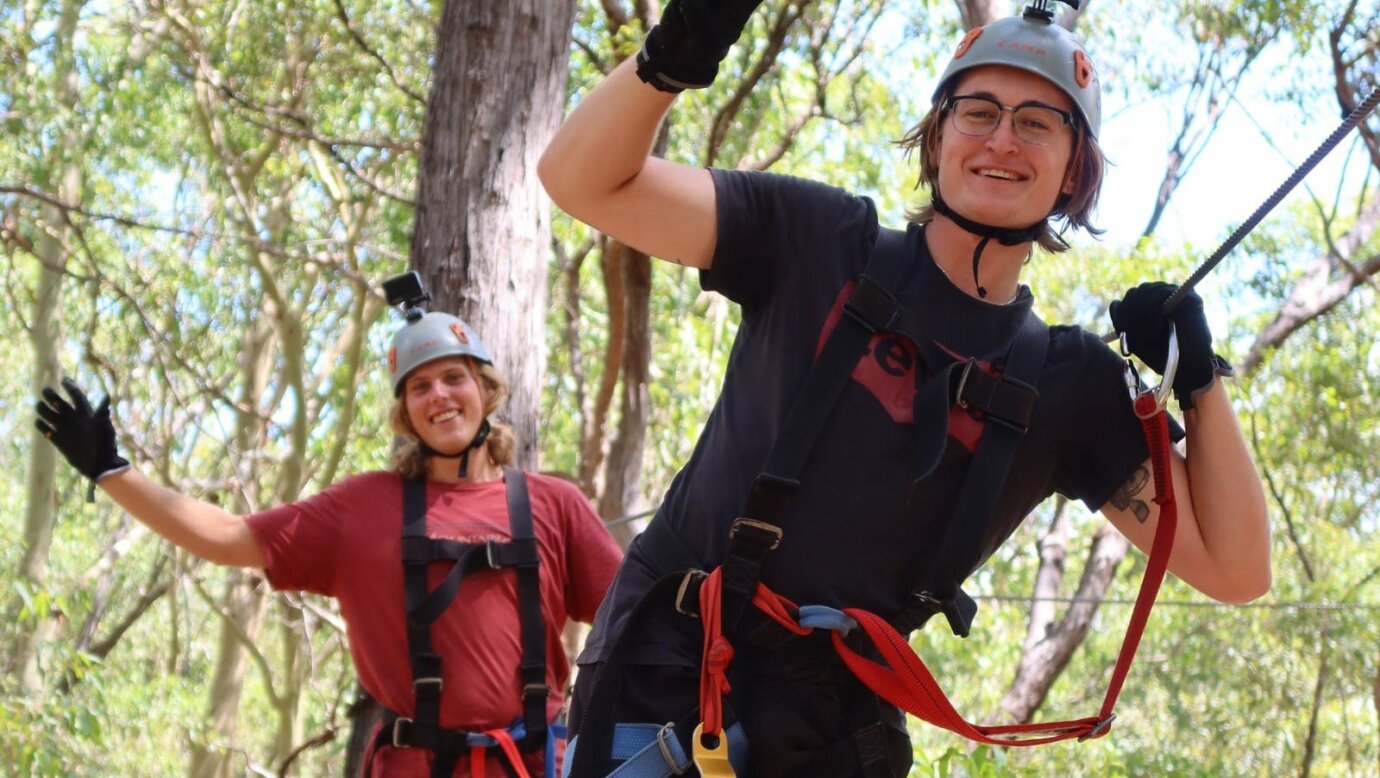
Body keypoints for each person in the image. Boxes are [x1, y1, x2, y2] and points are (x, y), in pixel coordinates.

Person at [537, 1, 1270, 776]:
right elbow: (581, 182)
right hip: (666, 687)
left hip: (830, 734)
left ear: (1074, 168)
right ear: (937, 136)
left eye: (1037, 123)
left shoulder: (1069, 388)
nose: (1000, 140)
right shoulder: (815, 242)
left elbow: (1235, 569)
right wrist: (672, 58)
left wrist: (1200, 383)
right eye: (977, 112)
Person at [34, 278, 624, 778]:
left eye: (454, 378)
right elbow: (225, 536)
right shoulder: (362, 508)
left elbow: (638, 621)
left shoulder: (553, 505)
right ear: (405, 413)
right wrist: (112, 472)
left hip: (534, 764)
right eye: (419, 386)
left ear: (485, 389)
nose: (439, 396)